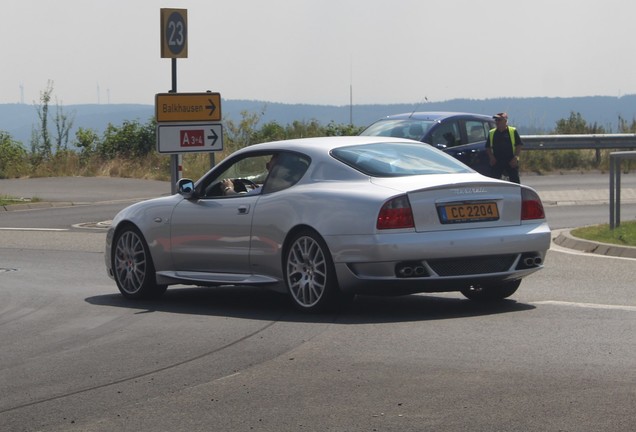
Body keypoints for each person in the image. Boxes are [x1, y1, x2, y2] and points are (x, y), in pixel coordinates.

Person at [485, 112, 523, 183]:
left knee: (515, 181)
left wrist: (515, 158)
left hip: (510, 160)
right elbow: (487, 147)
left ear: (505, 121)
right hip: (497, 161)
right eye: (496, 120)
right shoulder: (492, 133)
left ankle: (516, 193)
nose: (497, 122)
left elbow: (519, 145)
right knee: (494, 181)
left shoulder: (512, 131)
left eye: (499, 120)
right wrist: (491, 157)